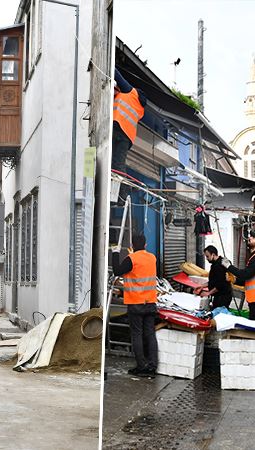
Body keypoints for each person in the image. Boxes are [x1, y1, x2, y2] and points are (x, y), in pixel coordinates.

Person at [112, 233, 158, 377]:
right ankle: (152, 365)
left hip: (136, 303)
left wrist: (115, 253)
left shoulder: (131, 259)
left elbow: (117, 271)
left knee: (137, 334)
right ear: (145, 245)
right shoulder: (152, 258)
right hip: (150, 302)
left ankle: (141, 366)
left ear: (132, 245)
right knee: (150, 334)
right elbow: (140, 266)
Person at [221, 231, 255, 321]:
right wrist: (235, 280)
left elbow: (245, 274)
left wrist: (229, 266)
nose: (249, 238)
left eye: (253, 237)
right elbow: (251, 279)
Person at [112, 68, 147, 204]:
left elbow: (116, 74)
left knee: (112, 163)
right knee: (117, 164)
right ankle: (120, 197)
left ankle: (122, 192)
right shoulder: (140, 107)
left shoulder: (130, 92)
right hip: (127, 137)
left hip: (118, 129)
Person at [197, 245, 233, 310]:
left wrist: (208, 293)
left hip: (223, 297)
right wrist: (202, 286)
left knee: (218, 315)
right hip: (219, 296)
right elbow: (214, 281)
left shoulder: (219, 266)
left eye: (207, 256)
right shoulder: (215, 264)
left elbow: (220, 285)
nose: (206, 258)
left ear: (213, 255)